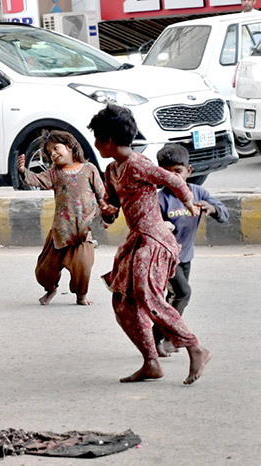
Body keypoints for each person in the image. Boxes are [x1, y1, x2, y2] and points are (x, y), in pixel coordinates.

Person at [91, 103, 212, 385]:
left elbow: (172, 180)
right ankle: (151, 362)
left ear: (108, 140)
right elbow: (113, 203)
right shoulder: (112, 170)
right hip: (137, 241)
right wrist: (107, 212)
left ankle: (195, 347)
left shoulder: (138, 163)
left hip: (155, 240)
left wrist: (189, 203)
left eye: (98, 139)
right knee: (122, 303)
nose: (96, 144)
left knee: (149, 295)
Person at [153, 144, 228, 357]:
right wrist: (164, 227)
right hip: (166, 259)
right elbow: (152, 227)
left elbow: (224, 214)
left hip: (185, 257)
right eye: (166, 173)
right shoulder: (160, 199)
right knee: (183, 293)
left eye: (177, 171)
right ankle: (168, 336)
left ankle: (158, 338)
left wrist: (211, 208)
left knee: (172, 297)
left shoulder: (199, 193)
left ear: (189, 171)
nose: (173, 177)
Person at [17, 130, 106, 306]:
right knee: (44, 270)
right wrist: (22, 170)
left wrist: (105, 210)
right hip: (60, 231)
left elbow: (101, 194)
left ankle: (81, 295)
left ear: (71, 146)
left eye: (56, 148)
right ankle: (51, 289)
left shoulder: (90, 169)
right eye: (50, 153)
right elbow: (35, 180)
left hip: (82, 231)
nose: (54, 154)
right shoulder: (54, 172)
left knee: (83, 267)